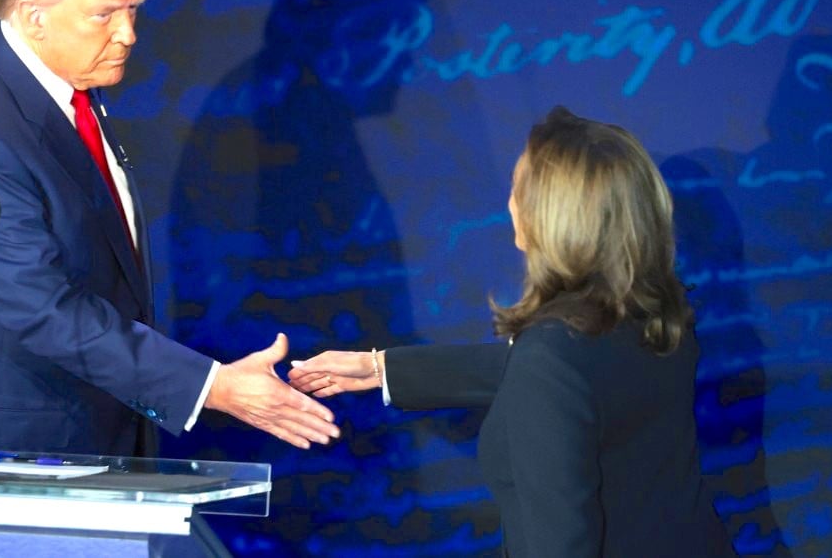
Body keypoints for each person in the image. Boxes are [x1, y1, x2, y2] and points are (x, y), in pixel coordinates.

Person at [0, 0, 339, 458]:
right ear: (33, 15)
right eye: (104, 16)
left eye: (133, 10)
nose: (128, 35)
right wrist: (210, 386)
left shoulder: (52, 78)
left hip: (81, 429)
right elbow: (41, 307)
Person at [289, 107, 736, 557]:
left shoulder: (553, 356)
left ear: (551, 217)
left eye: (516, 188)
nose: (509, 204)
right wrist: (380, 368)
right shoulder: (656, 311)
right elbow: (564, 376)